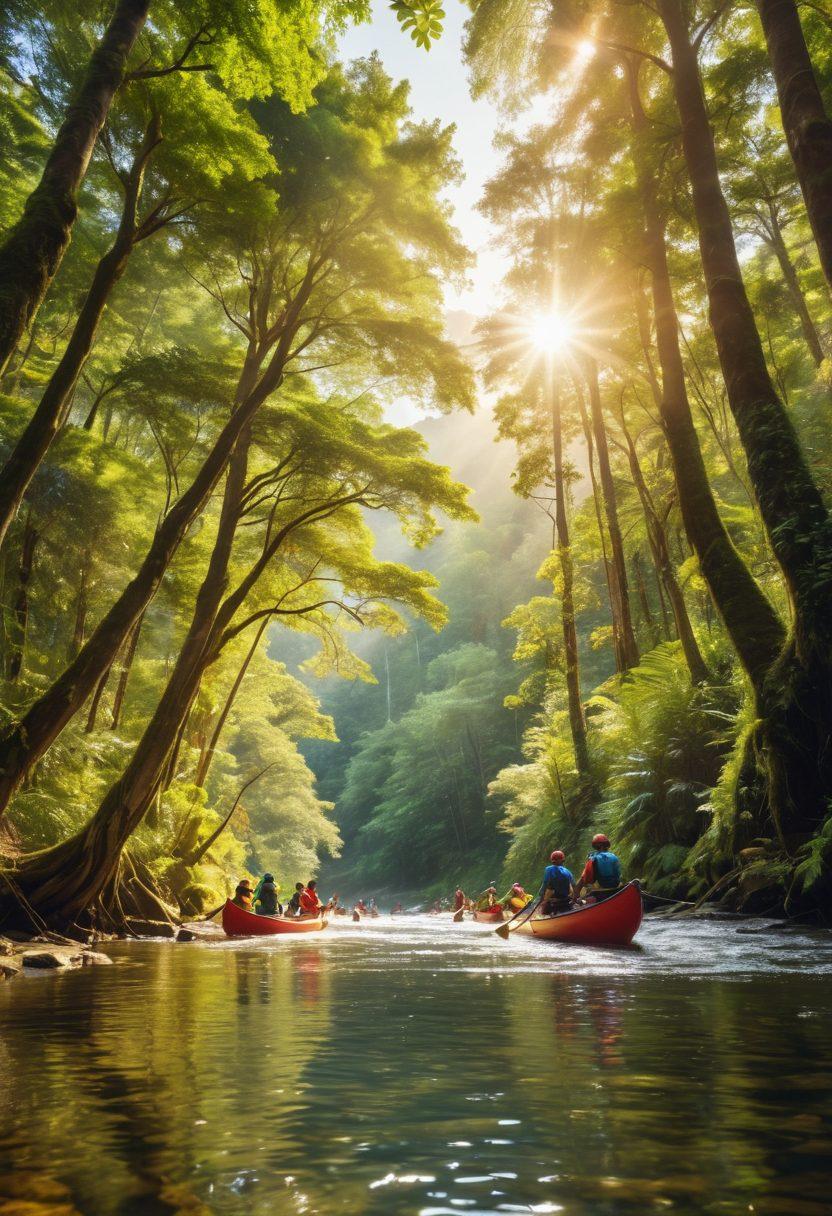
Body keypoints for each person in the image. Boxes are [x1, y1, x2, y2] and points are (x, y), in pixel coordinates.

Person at [574, 833, 622, 903]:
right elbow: (617, 874)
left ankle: (577, 900)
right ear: (607, 845)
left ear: (595, 846)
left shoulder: (593, 859)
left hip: (602, 892)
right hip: (616, 889)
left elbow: (586, 879)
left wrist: (576, 894)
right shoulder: (614, 857)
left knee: (585, 891)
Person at [539, 851, 574, 915]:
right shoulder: (567, 871)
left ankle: (546, 915)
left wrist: (541, 895)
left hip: (554, 898)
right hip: (566, 898)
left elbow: (545, 882)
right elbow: (573, 884)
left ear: (552, 860)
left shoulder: (548, 869)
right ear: (563, 860)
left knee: (544, 907)